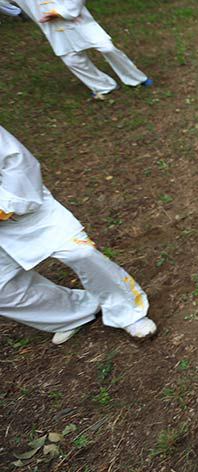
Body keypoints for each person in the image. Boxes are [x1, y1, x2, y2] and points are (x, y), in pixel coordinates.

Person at [0, 126, 156, 345]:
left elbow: (16, 162)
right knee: (4, 291)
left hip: (23, 212)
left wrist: (6, 205)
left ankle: (128, 312)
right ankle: (73, 314)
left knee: (80, 253)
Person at [0, 0, 153, 99]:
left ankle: (136, 78)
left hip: (77, 20)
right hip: (52, 27)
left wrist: (60, 12)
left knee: (106, 47)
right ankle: (102, 86)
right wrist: (13, 10)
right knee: (73, 60)